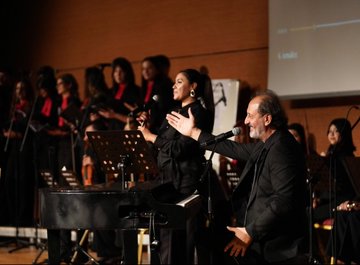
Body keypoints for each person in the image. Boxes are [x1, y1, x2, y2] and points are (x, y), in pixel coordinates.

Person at [166, 90, 309, 264]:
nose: (246, 121)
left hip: (277, 247)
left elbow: (283, 201)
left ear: (267, 119)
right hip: (262, 236)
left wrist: (250, 232)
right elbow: (234, 149)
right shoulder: (269, 143)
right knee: (207, 242)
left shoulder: (282, 148)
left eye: (250, 116)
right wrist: (194, 132)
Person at [137, 68, 215, 264]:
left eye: (179, 82)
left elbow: (180, 148)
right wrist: (148, 128)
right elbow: (161, 143)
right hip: (166, 180)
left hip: (185, 182)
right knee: (166, 237)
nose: (174, 85)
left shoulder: (198, 113)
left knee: (183, 238)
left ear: (193, 87)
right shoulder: (173, 112)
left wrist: (151, 136)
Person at [313, 118, 357, 224]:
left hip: (342, 198)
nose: (331, 134)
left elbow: (340, 186)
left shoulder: (347, 157)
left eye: (336, 131)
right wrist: (318, 199)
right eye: (330, 131)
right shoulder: (330, 154)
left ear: (344, 133)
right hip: (330, 198)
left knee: (309, 215)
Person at [98, 57, 142, 130]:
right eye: (115, 71)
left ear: (127, 72)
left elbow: (135, 119)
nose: (118, 74)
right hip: (111, 129)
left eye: (121, 71)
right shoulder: (110, 92)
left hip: (128, 130)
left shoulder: (136, 91)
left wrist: (115, 115)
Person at [139, 55, 178, 135]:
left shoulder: (165, 86)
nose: (145, 71)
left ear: (157, 69)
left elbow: (163, 109)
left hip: (160, 128)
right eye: (143, 69)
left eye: (149, 68)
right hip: (147, 125)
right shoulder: (144, 87)